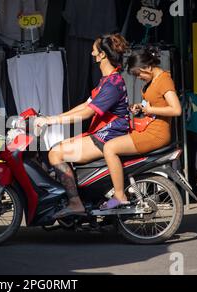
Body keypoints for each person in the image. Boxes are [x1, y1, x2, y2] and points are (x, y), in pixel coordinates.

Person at [34, 33, 130, 218]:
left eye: (95, 49)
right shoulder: (108, 80)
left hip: (108, 136)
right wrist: (52, 117)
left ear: (102, 55)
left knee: (56, 153)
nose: (92, 52)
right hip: (103, 133)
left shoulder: (112, 84)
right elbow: (86, 105)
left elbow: (87, 113)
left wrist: (51, 121)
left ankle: (75, 203)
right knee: (59, 147)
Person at [100, 48, 182, 209]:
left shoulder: (164, 80)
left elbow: (176, 109)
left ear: (148, 67)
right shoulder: (154, 80)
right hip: (147, 129)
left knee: (109, 148)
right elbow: (154, 104)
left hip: (156, 134)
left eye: (139, 74)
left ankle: (119, 195)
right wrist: (141, 107)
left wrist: (150, 110)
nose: (139, 78)